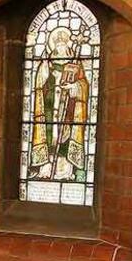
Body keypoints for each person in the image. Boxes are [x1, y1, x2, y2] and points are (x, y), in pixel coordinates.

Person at [30, 26, 89, 181]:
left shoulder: (75, 63)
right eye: (57, 44)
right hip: (50, 106)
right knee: (49, 135)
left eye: (63, 44)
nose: (60, 46)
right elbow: (40, 84)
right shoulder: (48, 63)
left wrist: (73, 87)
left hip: (68, 105)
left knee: (65, 135)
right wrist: (44, 72)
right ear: (54, 45)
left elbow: (83, 85)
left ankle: (64, 171)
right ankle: (46, 169)